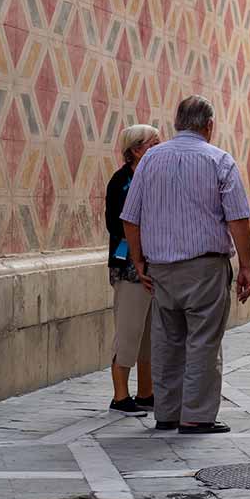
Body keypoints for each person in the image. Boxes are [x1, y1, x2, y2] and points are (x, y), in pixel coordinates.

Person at [120, 96, 250, 434]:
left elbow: (130, 217)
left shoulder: (150, 160)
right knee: (204, 341)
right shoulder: (220, 160)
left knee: (167, 340)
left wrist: (138, 260)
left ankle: (167, 413)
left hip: (161, 268)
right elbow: (238, 218)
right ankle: (195, 416)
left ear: (176, 123)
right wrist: (247, 267)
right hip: (205, 268)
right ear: (208, 126)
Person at [105, 124, 160, 417]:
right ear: (136, 150)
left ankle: (146, 391)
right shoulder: (120, 182)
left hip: (152, 265)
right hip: (128, 267)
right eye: (154, 144)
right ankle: (120, 395)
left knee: (149, 333)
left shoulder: (153, 179)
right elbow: (116, 225)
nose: (159, 149)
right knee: (128, 330)